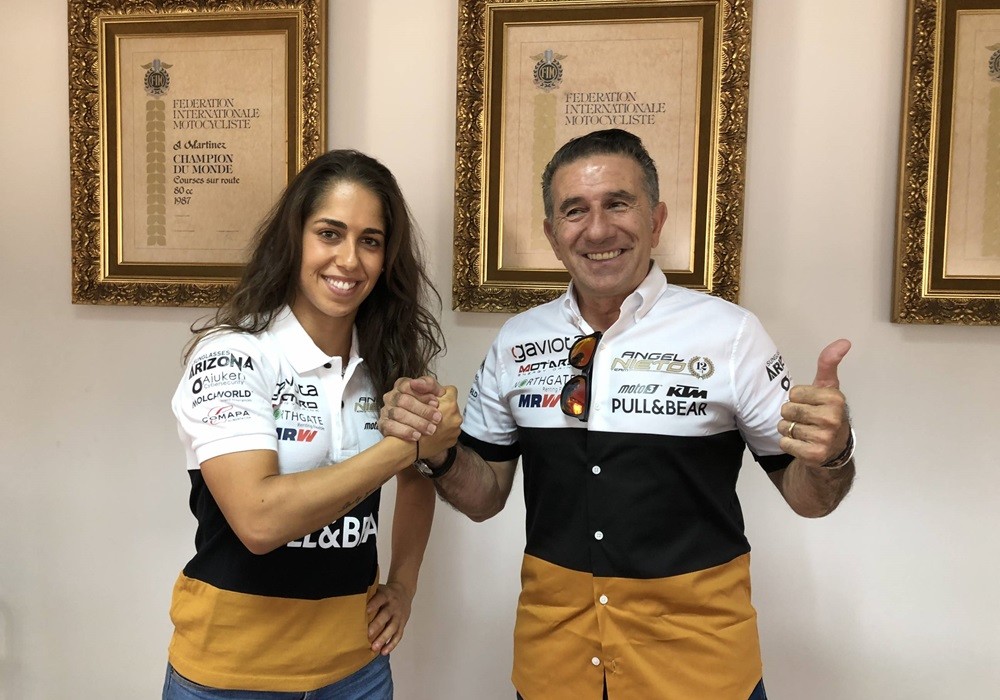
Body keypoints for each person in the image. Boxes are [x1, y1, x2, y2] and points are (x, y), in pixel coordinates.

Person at [379, 129, 856, 699]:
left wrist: (833, 454)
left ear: (656, 221)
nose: (598, 229)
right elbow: (484, 498)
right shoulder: (516, 341)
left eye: (618, 204)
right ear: (553, 236)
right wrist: (438, 452)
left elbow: (809, 498)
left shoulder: (731, 335)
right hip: (557, 668)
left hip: (699, 674)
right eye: (574, 210)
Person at [163, 149, 461, 699]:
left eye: (370, 241)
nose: (349, 260)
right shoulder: (233, 355)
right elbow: (258, 520)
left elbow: (417, 480)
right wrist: (407, 447)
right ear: (295, 238)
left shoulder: (384, 362)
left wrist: (403, 586)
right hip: (230, 674)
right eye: (329, 233)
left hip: (357, 670)